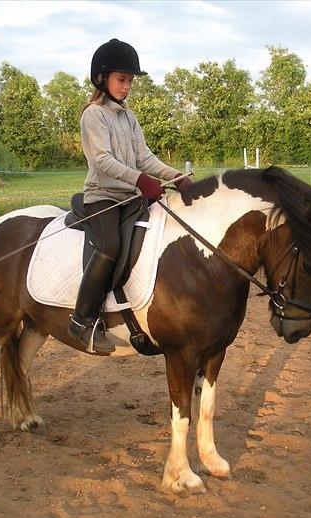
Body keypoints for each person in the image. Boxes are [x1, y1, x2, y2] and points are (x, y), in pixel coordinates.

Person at [67, 38, 193, 354]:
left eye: (130, 81)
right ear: (102, 78)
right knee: (109, 246)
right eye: (122, 79)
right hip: (103, 197)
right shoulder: (93, 115)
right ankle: (82, 321)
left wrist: (174, 176)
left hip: (130, 196)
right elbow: (102, 161)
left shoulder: (128, 116)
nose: (127, 86)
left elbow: (144, 156)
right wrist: (140, 180)